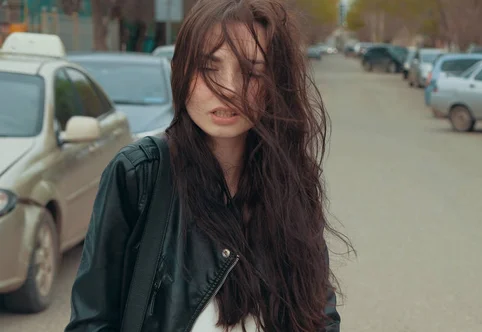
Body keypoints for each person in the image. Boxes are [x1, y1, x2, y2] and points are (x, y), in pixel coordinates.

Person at [64, 0, 352, 331]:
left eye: (252, 72)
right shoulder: (140, 174)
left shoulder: (290, 180)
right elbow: (92, 320)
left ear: (276, 85)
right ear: (180, 72)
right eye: (208, 68)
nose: (228, 89)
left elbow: (319, 311)